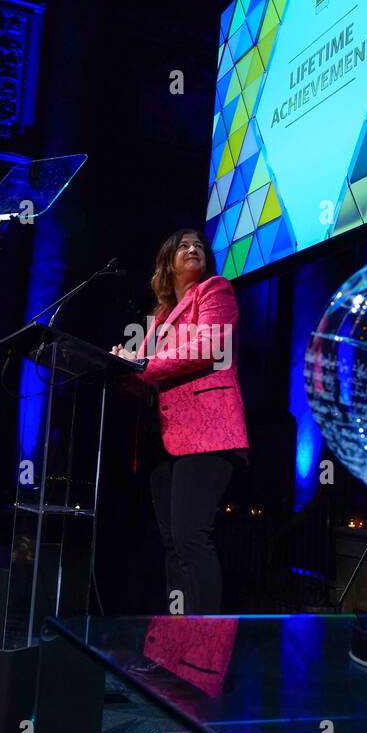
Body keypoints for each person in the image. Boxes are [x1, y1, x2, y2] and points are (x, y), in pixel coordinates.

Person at [113, 227, 248, 617]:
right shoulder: (155, 322)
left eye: (198, 246)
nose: (193, 249)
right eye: (183, 246)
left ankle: (204, 654)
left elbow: (210, 346)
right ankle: (176, 649)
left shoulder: (215, 290)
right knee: (172, 545)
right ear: (167, 263)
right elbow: (143, 382)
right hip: (162, 440)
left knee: (190, 540)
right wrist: (120, 368)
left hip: (207, 433)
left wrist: (140, 364)